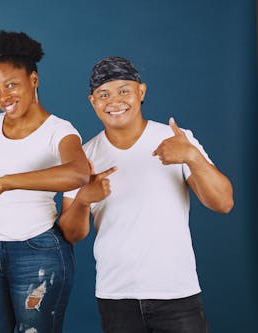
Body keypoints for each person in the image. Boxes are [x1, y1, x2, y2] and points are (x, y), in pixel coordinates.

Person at [59, 56, 234, 332]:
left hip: (177, 294)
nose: (114, 101)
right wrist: (83, 199)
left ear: (141, 92)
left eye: (124, 91)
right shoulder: (84, 156)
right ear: (93, 101)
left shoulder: (177, 140)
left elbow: (224, 203)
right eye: (104, 95)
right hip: (116, 297)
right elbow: (71, 234)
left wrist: (192, 156)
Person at [0, 31, 89, 333]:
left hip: (39, 251)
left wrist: (7, 182)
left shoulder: (59, 131)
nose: (3, 98)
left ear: (34, 80)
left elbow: (79, 173)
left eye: (11, 85)